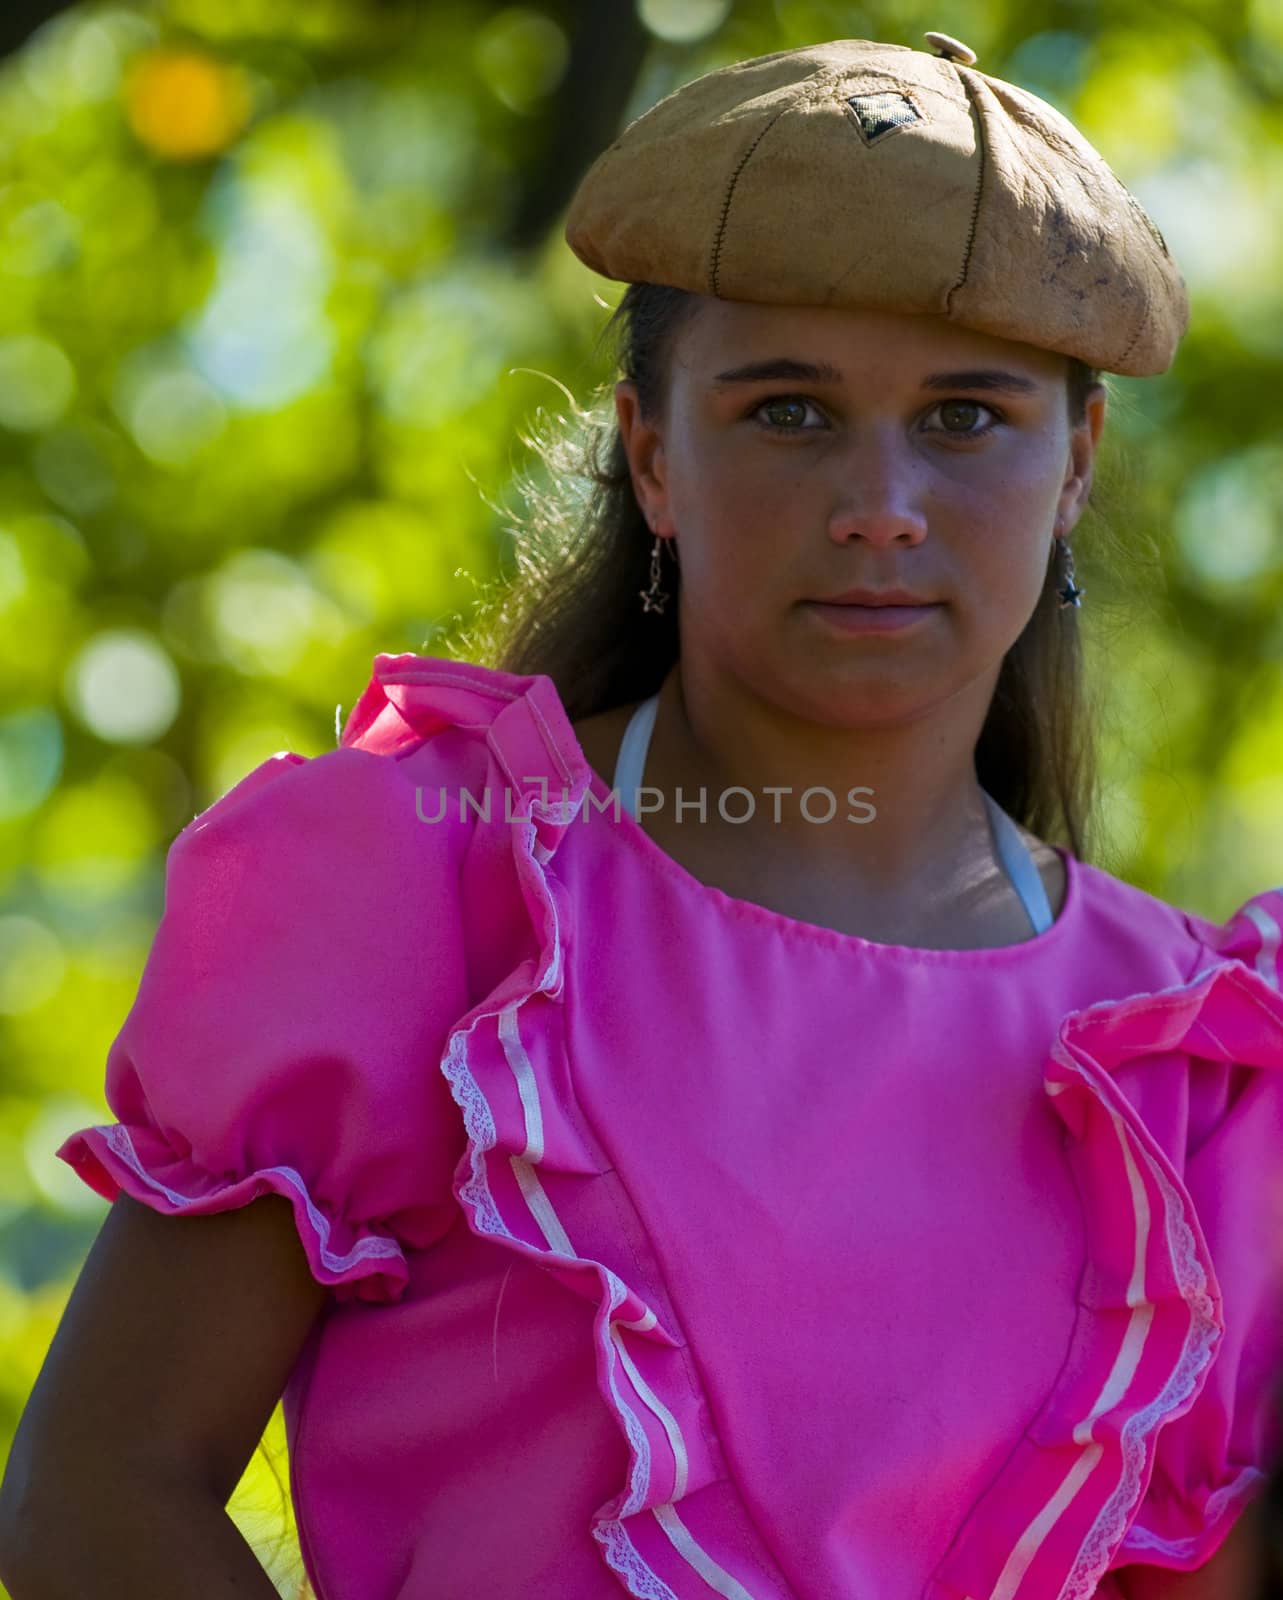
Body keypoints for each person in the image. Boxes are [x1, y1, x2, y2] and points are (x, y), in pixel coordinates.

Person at [2, 31, 1281, 1600]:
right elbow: (102, 1492)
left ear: (1075, 464)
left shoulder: (1196, 1052)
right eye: (789, 411)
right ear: (650, 453)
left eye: (967, 417)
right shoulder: (429, 883)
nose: (882, 501)